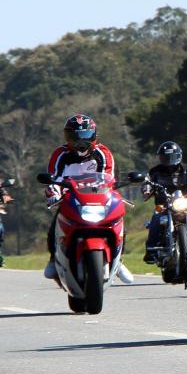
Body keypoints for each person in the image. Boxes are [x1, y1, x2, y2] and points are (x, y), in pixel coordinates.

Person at [43, 114, 134, 284]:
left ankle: (119, 260)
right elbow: (52, 178)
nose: (80, 142)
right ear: (67, 137)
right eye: (74, 137)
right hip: (70, 198)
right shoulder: (60, 154)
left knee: (117, 222)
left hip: (97, 197)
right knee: (56, 222)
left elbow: (109, 178)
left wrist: (112, 193)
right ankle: (52, 258)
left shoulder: (103, 153)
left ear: (93, 136)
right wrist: (53, 192)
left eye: (84, 136)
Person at [142, 141, 187, 262]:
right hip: (164, 206)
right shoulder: (155, 171)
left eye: (172, 157)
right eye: (165, 157)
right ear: (161, 158)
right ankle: (151, 251)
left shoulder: (186, 168)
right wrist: (147, 190)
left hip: (184, 204)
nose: (169, 161)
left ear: (179, 156)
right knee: (156, 219)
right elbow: (147, 182)